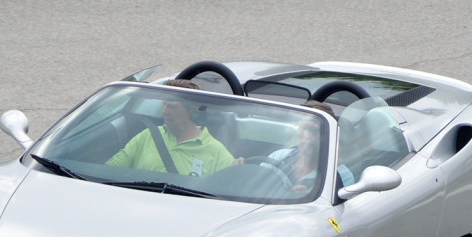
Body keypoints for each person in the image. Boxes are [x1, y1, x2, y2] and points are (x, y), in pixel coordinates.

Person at [106, 80, 239, 177]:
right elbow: (112, 167)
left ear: (193, 112)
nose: (164, 112)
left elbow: (234, 179)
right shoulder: (149, 135)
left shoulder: (215, 151)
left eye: (172, 107)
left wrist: (240, 168)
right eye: (164, 105)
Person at [266, 101, 331, 193]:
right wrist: (241, 168)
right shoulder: (277, 157)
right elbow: (255, 183)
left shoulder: (338, 175)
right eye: (303, 129)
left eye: (314, 130)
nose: (307, 136)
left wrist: (308, 198)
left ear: (328, 134)